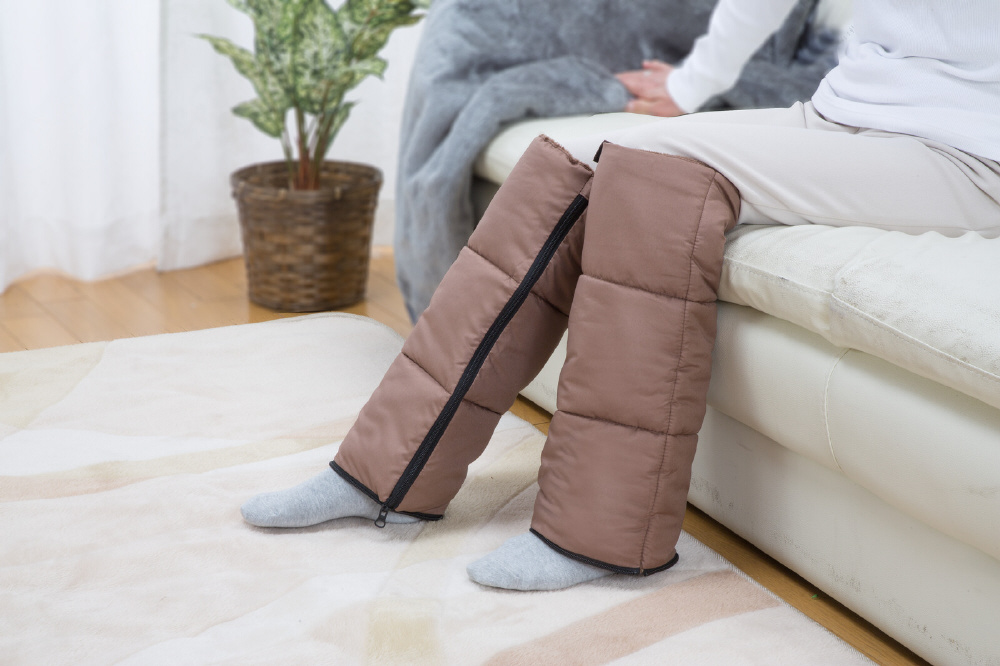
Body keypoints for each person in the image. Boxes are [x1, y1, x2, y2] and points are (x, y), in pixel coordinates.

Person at [241, 0, 1000, 591]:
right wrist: (690, 87)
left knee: (656, 184)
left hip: (966, 149)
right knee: (565, 163)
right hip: (844, 113)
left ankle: (601, 536)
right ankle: (381, 474)